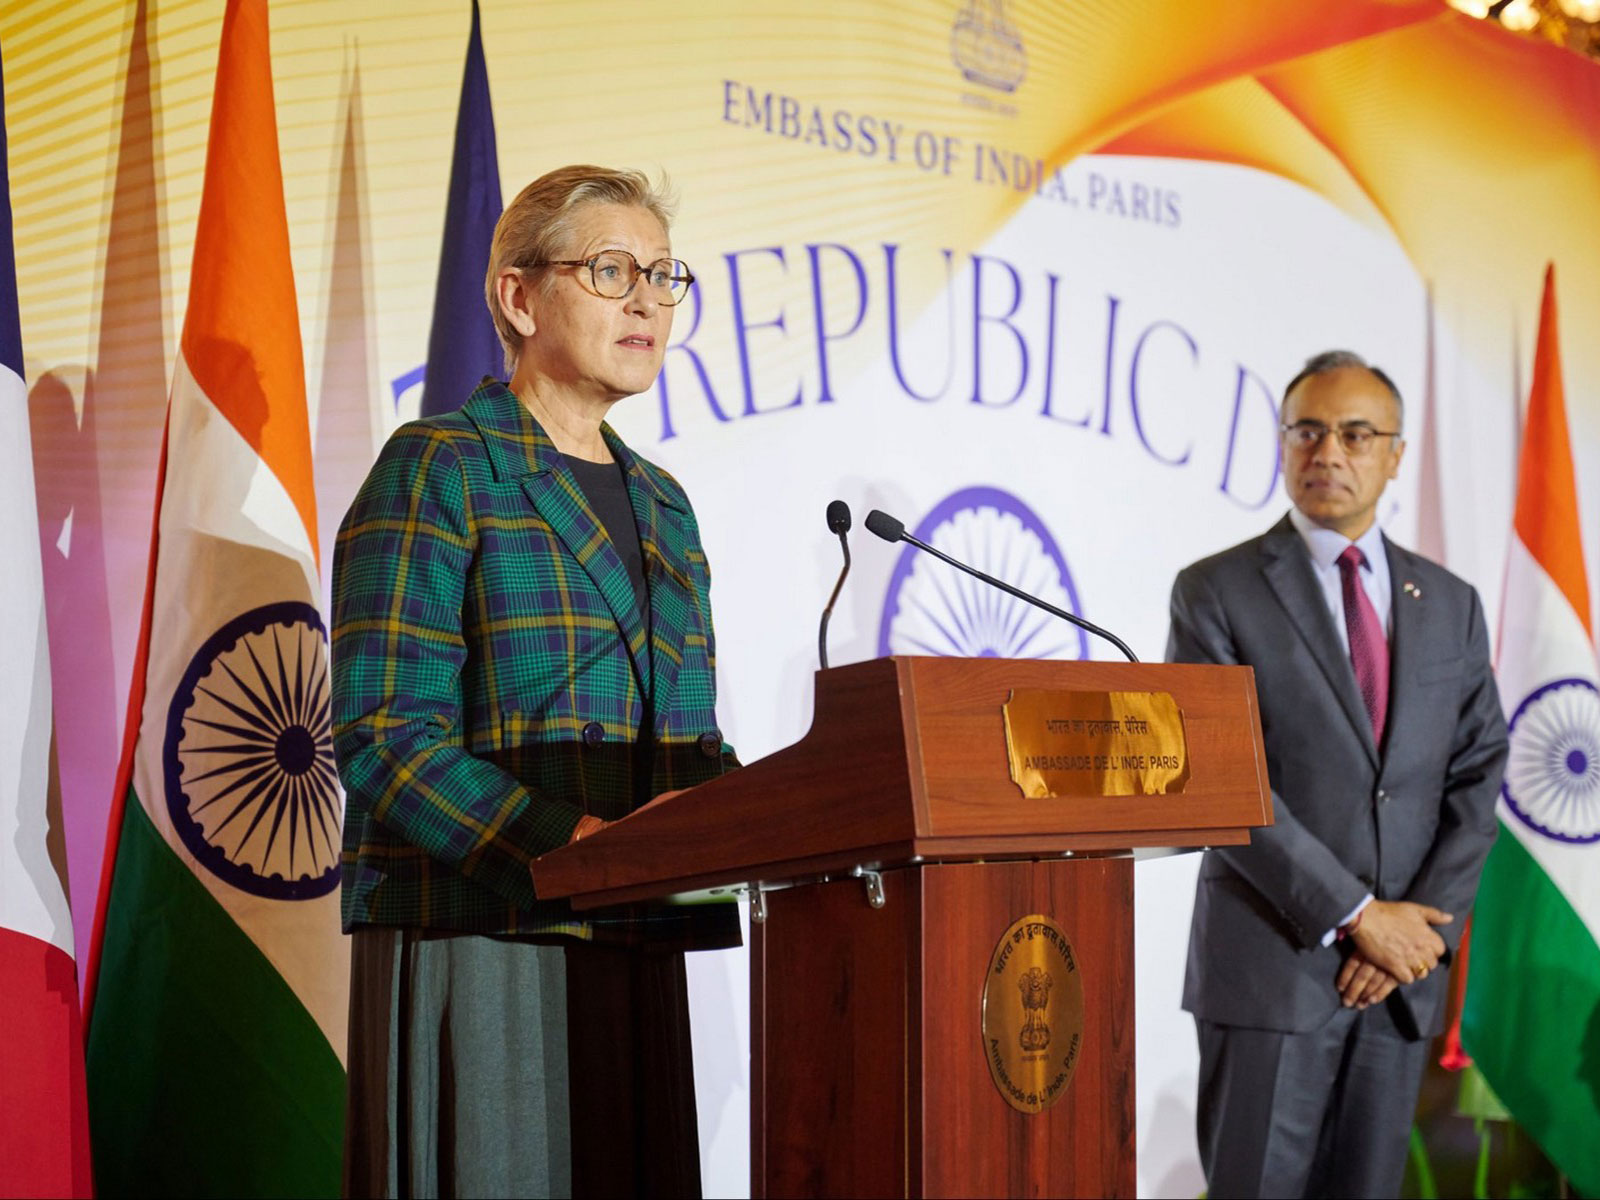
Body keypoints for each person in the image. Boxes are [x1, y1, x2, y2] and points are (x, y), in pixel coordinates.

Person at [331, 165, 739, 1199]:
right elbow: (385, 735)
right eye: (611, 270)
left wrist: (776, 816)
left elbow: (688, 736)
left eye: (662, 273)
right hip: (488, 932)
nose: (648, 300)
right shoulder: (440, 466)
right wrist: (565, 845)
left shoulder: (665, 503)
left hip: (636, 934)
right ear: (519, 297)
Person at [1166, 350, 1507, 1198]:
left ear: (1394, 454)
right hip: (1273, 972)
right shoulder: (1216, 591)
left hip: (1395, 986)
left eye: (1356, 434)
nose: (1330, 453)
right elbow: (1219, 778)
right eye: (1308, 432)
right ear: (1282, 447)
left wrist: (1417, 935)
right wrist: (1358, 917)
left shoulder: (1450, 601)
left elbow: (1477, 775)